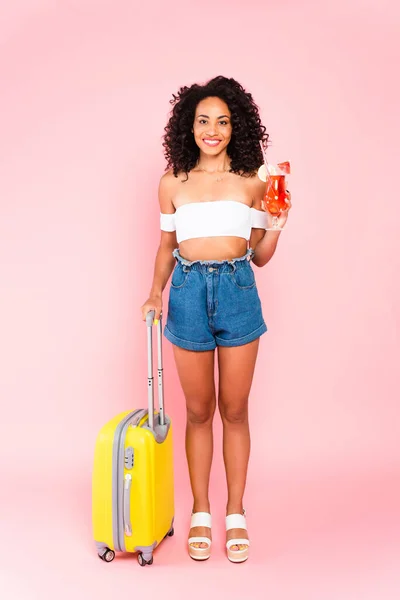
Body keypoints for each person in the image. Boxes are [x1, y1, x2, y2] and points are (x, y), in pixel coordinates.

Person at [141, 75, 292, 563]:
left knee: (235, 409)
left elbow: (260, 256)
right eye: (203, 120)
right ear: (189, 126)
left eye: (222, 122)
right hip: (186, 292)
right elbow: (166, 247)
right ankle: (202, 510)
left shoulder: (254, 179)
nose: (212, 130)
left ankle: (236, 512)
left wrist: (277, 226)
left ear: (235, 127)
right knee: (199, 411)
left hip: (237, 289)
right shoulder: (171, 183)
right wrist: (153, 293)